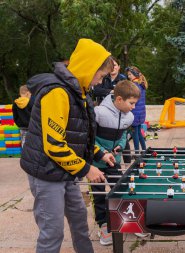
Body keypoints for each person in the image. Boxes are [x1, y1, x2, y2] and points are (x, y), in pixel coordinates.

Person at [20, 38, 116, 253]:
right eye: (100, 76)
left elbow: (79, 136)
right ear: (89, 68)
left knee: (80, 222)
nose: (100, 82)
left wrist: (100, 154)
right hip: (45, 172)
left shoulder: (79, 91)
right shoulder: (57, 93)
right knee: (52, 232)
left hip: (66, 170)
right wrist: (87, 169)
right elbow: (54, 145)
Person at [91, 80, 140, 246]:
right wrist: (102, 153)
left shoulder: (130, 116)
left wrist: (119, 145)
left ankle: (129, 219)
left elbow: (123, 135)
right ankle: (103, 224)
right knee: (98, 195)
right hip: (95, 163)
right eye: (131, 103)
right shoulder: (98, 113)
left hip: (114, 162)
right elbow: (88, 138)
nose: (134, 107)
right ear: (119, 99)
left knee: (120, 190)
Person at [92, 57, 132, 164]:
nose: (113, 68)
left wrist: (106, 91)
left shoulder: (123, 79)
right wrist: (112, 91)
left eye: (115, 65)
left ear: (119, 67)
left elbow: (128, 94)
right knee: (100, 135)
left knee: (121, 134)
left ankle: (127, 161)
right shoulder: (104, 77)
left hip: (119, 112)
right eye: (111, 65)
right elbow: (96, 91)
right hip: (103, 109)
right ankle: (101, 155)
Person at [126, 66, 147, 152]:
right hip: (141, 113)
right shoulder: (141, 84)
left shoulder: (133, 85)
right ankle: (144, 150)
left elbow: (131, 98)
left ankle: (137, 152)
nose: (128, 76)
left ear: (135, 75)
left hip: (134, 113)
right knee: (139, 133)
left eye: (130, 74)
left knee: (134, 134)